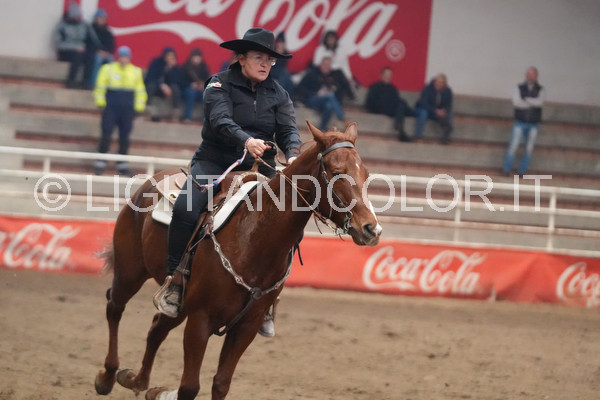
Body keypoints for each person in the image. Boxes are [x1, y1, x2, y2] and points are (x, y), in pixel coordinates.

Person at [153, 28, 301, 337]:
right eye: (259, 57)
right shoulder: (218, 84)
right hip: (215, 161)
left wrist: (293, 154)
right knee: (186, 209)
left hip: (261, 167)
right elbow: (220, 121)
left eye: (270, 59)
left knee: (291, 221)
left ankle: (267, 298)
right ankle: (175, 280)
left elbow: (288, 130)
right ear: (241, 58)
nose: (265, 64)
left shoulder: (279, 93)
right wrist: (246, 140)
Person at [93, 46, 147, 176]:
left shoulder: (136, 71)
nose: (124, 59)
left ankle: (122, 165)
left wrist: (139, 107)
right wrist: (100, 102)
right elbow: (100, 86)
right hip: (111, 105)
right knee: (106, 132)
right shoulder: (108, 68)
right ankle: (100, 162)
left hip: (127, 107)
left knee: (125, 136)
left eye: (126, 56)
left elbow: (140, 90)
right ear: (118, 57)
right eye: (122, 56)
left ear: (129, 58)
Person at [502, 67, 545, 176]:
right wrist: (532, 103)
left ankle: (522, 171)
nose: (530, 76)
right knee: (513, 146)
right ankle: (506, 170)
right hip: (520, 122)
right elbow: (517, 103)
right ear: (526, 75)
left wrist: (526, 99)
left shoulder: (541, 89)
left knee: (529, 149)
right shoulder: (519, 87)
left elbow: (540, 103)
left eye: (532, 74)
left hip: (533, 124)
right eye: (528, 73)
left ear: (536, 76)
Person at [55, 2, 99, 88]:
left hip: (81, 49)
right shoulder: (62, 25)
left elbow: (93, 39)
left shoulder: (84, 24)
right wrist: (75, 48)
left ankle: (86, 82)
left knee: (90, 56)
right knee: (78, 55)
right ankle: (70, 81)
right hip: (66, 51)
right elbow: (59, 43)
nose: (80, 17)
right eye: (78, 15)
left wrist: (98, 48)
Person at [295, 56, 346, 131]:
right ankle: (342, 118)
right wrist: (312, 94)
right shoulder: (312, 74)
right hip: (312, 99)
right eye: (325, 65)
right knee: (330, 96)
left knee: (329, 106)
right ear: (320, 65)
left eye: (328, 65)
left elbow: (338, 91)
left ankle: (322, 127)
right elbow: (300, 87)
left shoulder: (332, 76)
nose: (326, 67)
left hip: (325, 101)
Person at [365, 66, 413, 142]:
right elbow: (369, 102)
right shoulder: (375, 87)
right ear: (381, 75)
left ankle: (400, 126)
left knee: (402, 104)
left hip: (392, 109)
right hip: (380, 109)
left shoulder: (393, 88)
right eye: (386, 75)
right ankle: (400, 129)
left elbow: (396, 100)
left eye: (389, 75)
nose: (388, 77)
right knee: (402, 105)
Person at [312, 30, 355, 102]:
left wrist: (349, 77)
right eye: (329, 39)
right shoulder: (320, 49)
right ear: (326, 40)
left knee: (340, 79)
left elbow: (345, 65)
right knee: (338, 72)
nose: (331, 41)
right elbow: (316, 63)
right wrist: (330, 62)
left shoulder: (341, 50)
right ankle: (350, 94)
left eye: (333, 39)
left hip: (337, 74)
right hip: (323, 72)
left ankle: (339, 101)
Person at [413, 73, 453, 144]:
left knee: (449, 115)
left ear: (444, 84)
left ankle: (446, 139)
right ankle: (418, 136)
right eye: (437, 82)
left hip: (436, 112)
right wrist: (435, 111)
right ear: (434, 81)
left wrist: (444, 110)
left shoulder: (448, 91)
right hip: (423, 109)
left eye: (441, 83)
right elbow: (423, 103)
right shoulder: (427, 88)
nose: (438, 84)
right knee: (423, 113)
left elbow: (449, 105)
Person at [145, 47, 182, 120]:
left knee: (176, 89)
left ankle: (175, 112)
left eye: (172, 56)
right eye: (169, 55)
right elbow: (151, 77)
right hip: (156, 86)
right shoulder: (156, 62)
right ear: (164, 56)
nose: (171, 58)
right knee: (150, 86)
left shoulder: (175, 67)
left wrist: (171, 68)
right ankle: (148, 109)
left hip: (167, 88)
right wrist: (161, 85)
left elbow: (175, 81)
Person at [86, 8, 115, 90]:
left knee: (111, 60)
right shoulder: (90, 31)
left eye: (104, 18)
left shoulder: (108, 32)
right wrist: (98, 51)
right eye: (100, 18)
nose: (102, 20)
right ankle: (93, 84)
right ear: (96, 19)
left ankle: (110, 84)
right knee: (98, 59)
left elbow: (112, 45)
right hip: (93, 53)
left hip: (105, 53)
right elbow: (88, 44)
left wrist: (107, 52)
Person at [180, 48, 211, 123]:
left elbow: (208, 80)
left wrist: (202, 85)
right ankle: (187, 117)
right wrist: (190, 84)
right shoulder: (185, 67)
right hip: (187, 90)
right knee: (191, 92)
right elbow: (180, 82)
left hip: (199, 90)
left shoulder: (204, 67)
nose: (196, 59)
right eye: (195, 57)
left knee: (207, 93)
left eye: (198, 57)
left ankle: (205, 119)